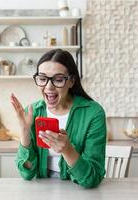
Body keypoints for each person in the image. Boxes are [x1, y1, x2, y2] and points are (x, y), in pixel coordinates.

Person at [10, 49, 106, 188]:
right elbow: (27, 173)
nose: (49, 87)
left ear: (71, 81)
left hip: (78, 190)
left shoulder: (93, 113)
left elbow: (91, 179)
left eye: (58, 79)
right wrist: (25, 133)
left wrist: (67, 150)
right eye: (42, 79)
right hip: (42, 191)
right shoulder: (33, 112)